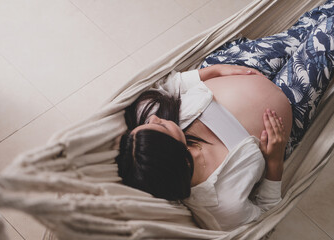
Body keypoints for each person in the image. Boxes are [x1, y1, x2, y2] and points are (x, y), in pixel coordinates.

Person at [115, 0, 334, 231]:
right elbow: (266, 211)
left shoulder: (147, 123)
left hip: (241, 65)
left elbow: (169, 84)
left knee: (305, 29)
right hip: (290, 107)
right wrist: (274, 161)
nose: (155, 119)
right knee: (327, 35)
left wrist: (216, 70)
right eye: (160, 127)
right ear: (173, 155)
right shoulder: (223, 205)